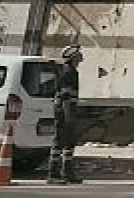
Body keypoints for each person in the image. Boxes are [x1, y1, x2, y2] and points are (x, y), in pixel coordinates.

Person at [47, 44, 83, 184]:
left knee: (69, 142)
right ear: (72, 56)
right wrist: (69, 116)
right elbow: (65, 95)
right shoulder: (67, 72)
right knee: (60, 140)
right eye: (78, 54)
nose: (80, 56)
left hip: (69, 109)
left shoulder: (72, 71)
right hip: (64, 110)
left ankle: (67, 172)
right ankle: (53, 174)